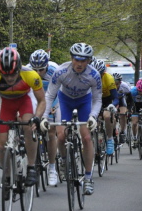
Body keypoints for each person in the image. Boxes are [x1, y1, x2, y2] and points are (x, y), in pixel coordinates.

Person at [40, 43, 102, 195]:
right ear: (71, 58)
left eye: (84, 60)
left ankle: (88, 178)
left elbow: (97, 99)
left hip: (84, 101)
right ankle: (63, 160)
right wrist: (44, 116)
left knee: (86, 137)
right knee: (61, 135)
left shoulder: (94, 75)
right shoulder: (61, 71)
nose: (79, 63)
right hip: (65, 101)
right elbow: (49, 96)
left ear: (88, 61)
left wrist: (93, 116)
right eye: (76, 59)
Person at [0, 46, 45, 187]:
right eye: (5, 74)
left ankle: (31, 167)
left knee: (29, 126)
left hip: (23, 100)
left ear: (19, 68)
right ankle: (6, 175)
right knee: (1, 143)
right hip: (4, 101)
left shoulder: (31, 75)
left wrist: (37, 117)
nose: (9, 78)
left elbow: (42, 101)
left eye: (12, 74)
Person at [28, 49, 62, 185]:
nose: (37, 73)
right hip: (36, 96)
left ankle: (52, 168)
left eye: (41, 70)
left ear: (47, 66)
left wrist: (55, 107)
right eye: (35, 69)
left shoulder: (55, 71)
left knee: (51, 131)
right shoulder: (28, 70)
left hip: (53, 97)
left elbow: (62, 92)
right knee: (30, 126)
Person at [90, 59, 119, 155]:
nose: (98, 76)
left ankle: (110, 139)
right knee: (92, 119)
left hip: (107, 99)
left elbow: (116, 98)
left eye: (101, 74)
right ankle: (93, 141)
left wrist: (112, 105)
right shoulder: (89, 77)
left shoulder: (109, 78)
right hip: (95, 99)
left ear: (104, 72)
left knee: (107, 116)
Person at [113, 72, 131, 143]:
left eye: (117, 83)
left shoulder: (124, 86)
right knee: (112, 115)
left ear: (120, 82)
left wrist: (129, 108)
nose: (116, 85)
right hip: (113, 100)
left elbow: (130, 99)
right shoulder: (110, 86)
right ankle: (113, 131)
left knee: (123, 114)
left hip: (121, 99)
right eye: (114, 82)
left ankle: (122, 132)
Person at [129, 79, 142, 146]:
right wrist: (129, 109)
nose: (141, 93)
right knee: (134, 123)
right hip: (135, 106)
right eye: (139, 91)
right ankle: (134, 138)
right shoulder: (132, 92)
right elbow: (129, 102)